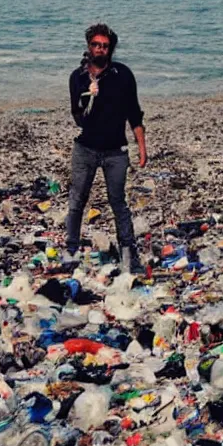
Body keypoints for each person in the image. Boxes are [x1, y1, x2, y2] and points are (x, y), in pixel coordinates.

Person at [66, 23, 147, 272]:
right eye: (95, 45)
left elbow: (134, 113)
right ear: (88, 46)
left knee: (118, 202)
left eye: (105, 46)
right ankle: (71, 252)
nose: (100, 49)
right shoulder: (77, 77)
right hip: (86, 148)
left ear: (110, 49)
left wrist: (141, 147)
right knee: (77, 200)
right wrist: (87, 95)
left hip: (116, 151)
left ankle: (129, 255)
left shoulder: (122, 75)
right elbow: (77, 117)